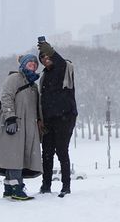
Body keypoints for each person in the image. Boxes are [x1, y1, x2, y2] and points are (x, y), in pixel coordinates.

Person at [0, 54, 43, 201]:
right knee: (13, 156)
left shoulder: (33, 85)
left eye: (34, 64)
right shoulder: (14, 79)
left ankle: (8, 188)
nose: (32, 65)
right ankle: (17, 189)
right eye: (29, 63)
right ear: (23, 65)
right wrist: (10, 118)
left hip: (27, 126)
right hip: (14, 123)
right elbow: (6, 97)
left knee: (17, 156)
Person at [37, 39, 78, 197]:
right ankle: (46, 185)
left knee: (62, 151)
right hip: (49, 120)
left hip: (65, 117)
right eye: (42, 59)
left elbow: (59, 61)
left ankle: (65, 186)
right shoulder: (44, 77)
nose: (46, 60)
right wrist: (41, 119)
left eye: (48, 57)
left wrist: (50, 49)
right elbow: (41, 100)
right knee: (46, 153)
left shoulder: (62, 69)